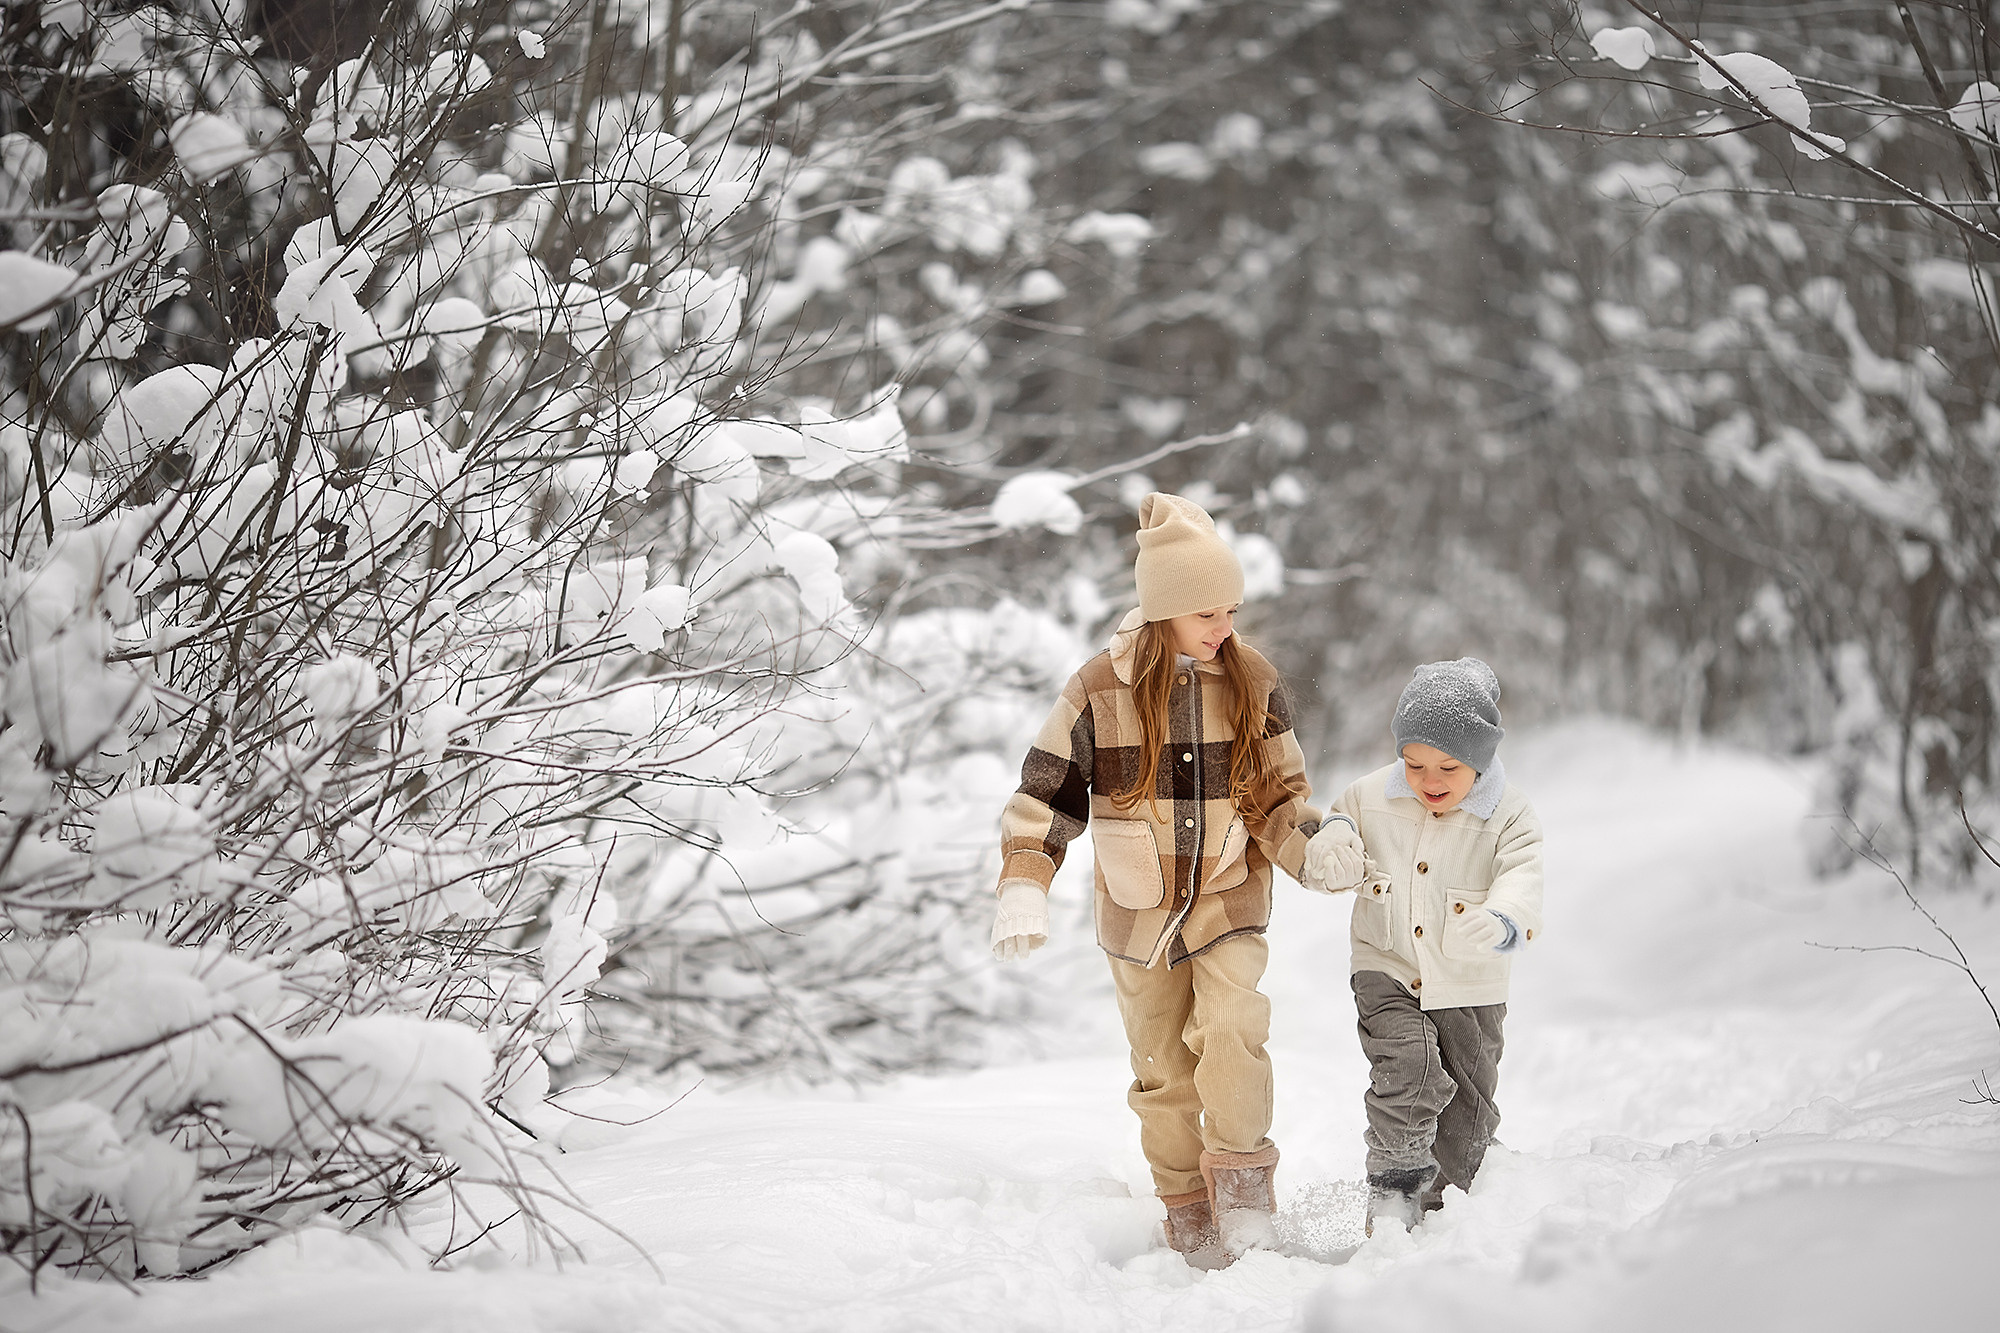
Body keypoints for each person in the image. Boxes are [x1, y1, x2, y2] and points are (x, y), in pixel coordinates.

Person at [987, 492, 1353, 1267]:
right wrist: (1025, 877)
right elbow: (1046, 791)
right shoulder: (1098, 689)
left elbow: (1278, 797)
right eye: (1206, 613)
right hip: (1138, 911)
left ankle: (1245, 1203)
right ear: (1163, 611)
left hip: (1226, 896)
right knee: (1163, 1071)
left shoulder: (1251, 679)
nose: (1224, 627)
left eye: (1230, 610)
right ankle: (1187, 1212)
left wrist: (1312, 849)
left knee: (1233, 1027)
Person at [1299, 657, 1544, 1235]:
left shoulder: (1509, 814)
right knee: (1409, 1069)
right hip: (1385, 967)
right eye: (1413, 764)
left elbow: (1523, 873)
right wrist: (1333, 847)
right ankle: (1394, 1190)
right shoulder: (1368, 797)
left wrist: (1504, 917)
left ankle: (1451, 1213)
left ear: (1479, 760)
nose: (1429, 780)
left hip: (1469, 983)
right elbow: (1336, 831)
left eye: (1448, 767)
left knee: (1467, 1113)